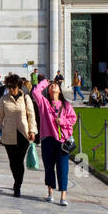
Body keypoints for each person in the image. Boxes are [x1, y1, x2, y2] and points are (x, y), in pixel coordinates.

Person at [32, 75, 77, 206]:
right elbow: (35, 92)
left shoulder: (66, 105)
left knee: (63, 168)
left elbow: (72, 120)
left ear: (59, 90)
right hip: (48, 139)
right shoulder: (44, 103)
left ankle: (63, 194)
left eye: (55, 85)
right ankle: (50, 192)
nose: (53, 86)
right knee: (49, 167)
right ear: (49, 91)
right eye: (51, 86)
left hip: (63, 141)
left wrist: (62, 121)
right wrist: (46, 81)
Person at [0, 73, 37, 198]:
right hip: (8, 135)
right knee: (13, 162)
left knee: (20, 161)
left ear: (19, 86)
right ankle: (16, 180)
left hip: (23, 134)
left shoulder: (26, 98)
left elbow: (31, 115)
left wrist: (32, 130)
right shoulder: (4, 99)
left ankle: (18, 185)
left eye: (13, 87)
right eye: (9, 87)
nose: (11, 89)